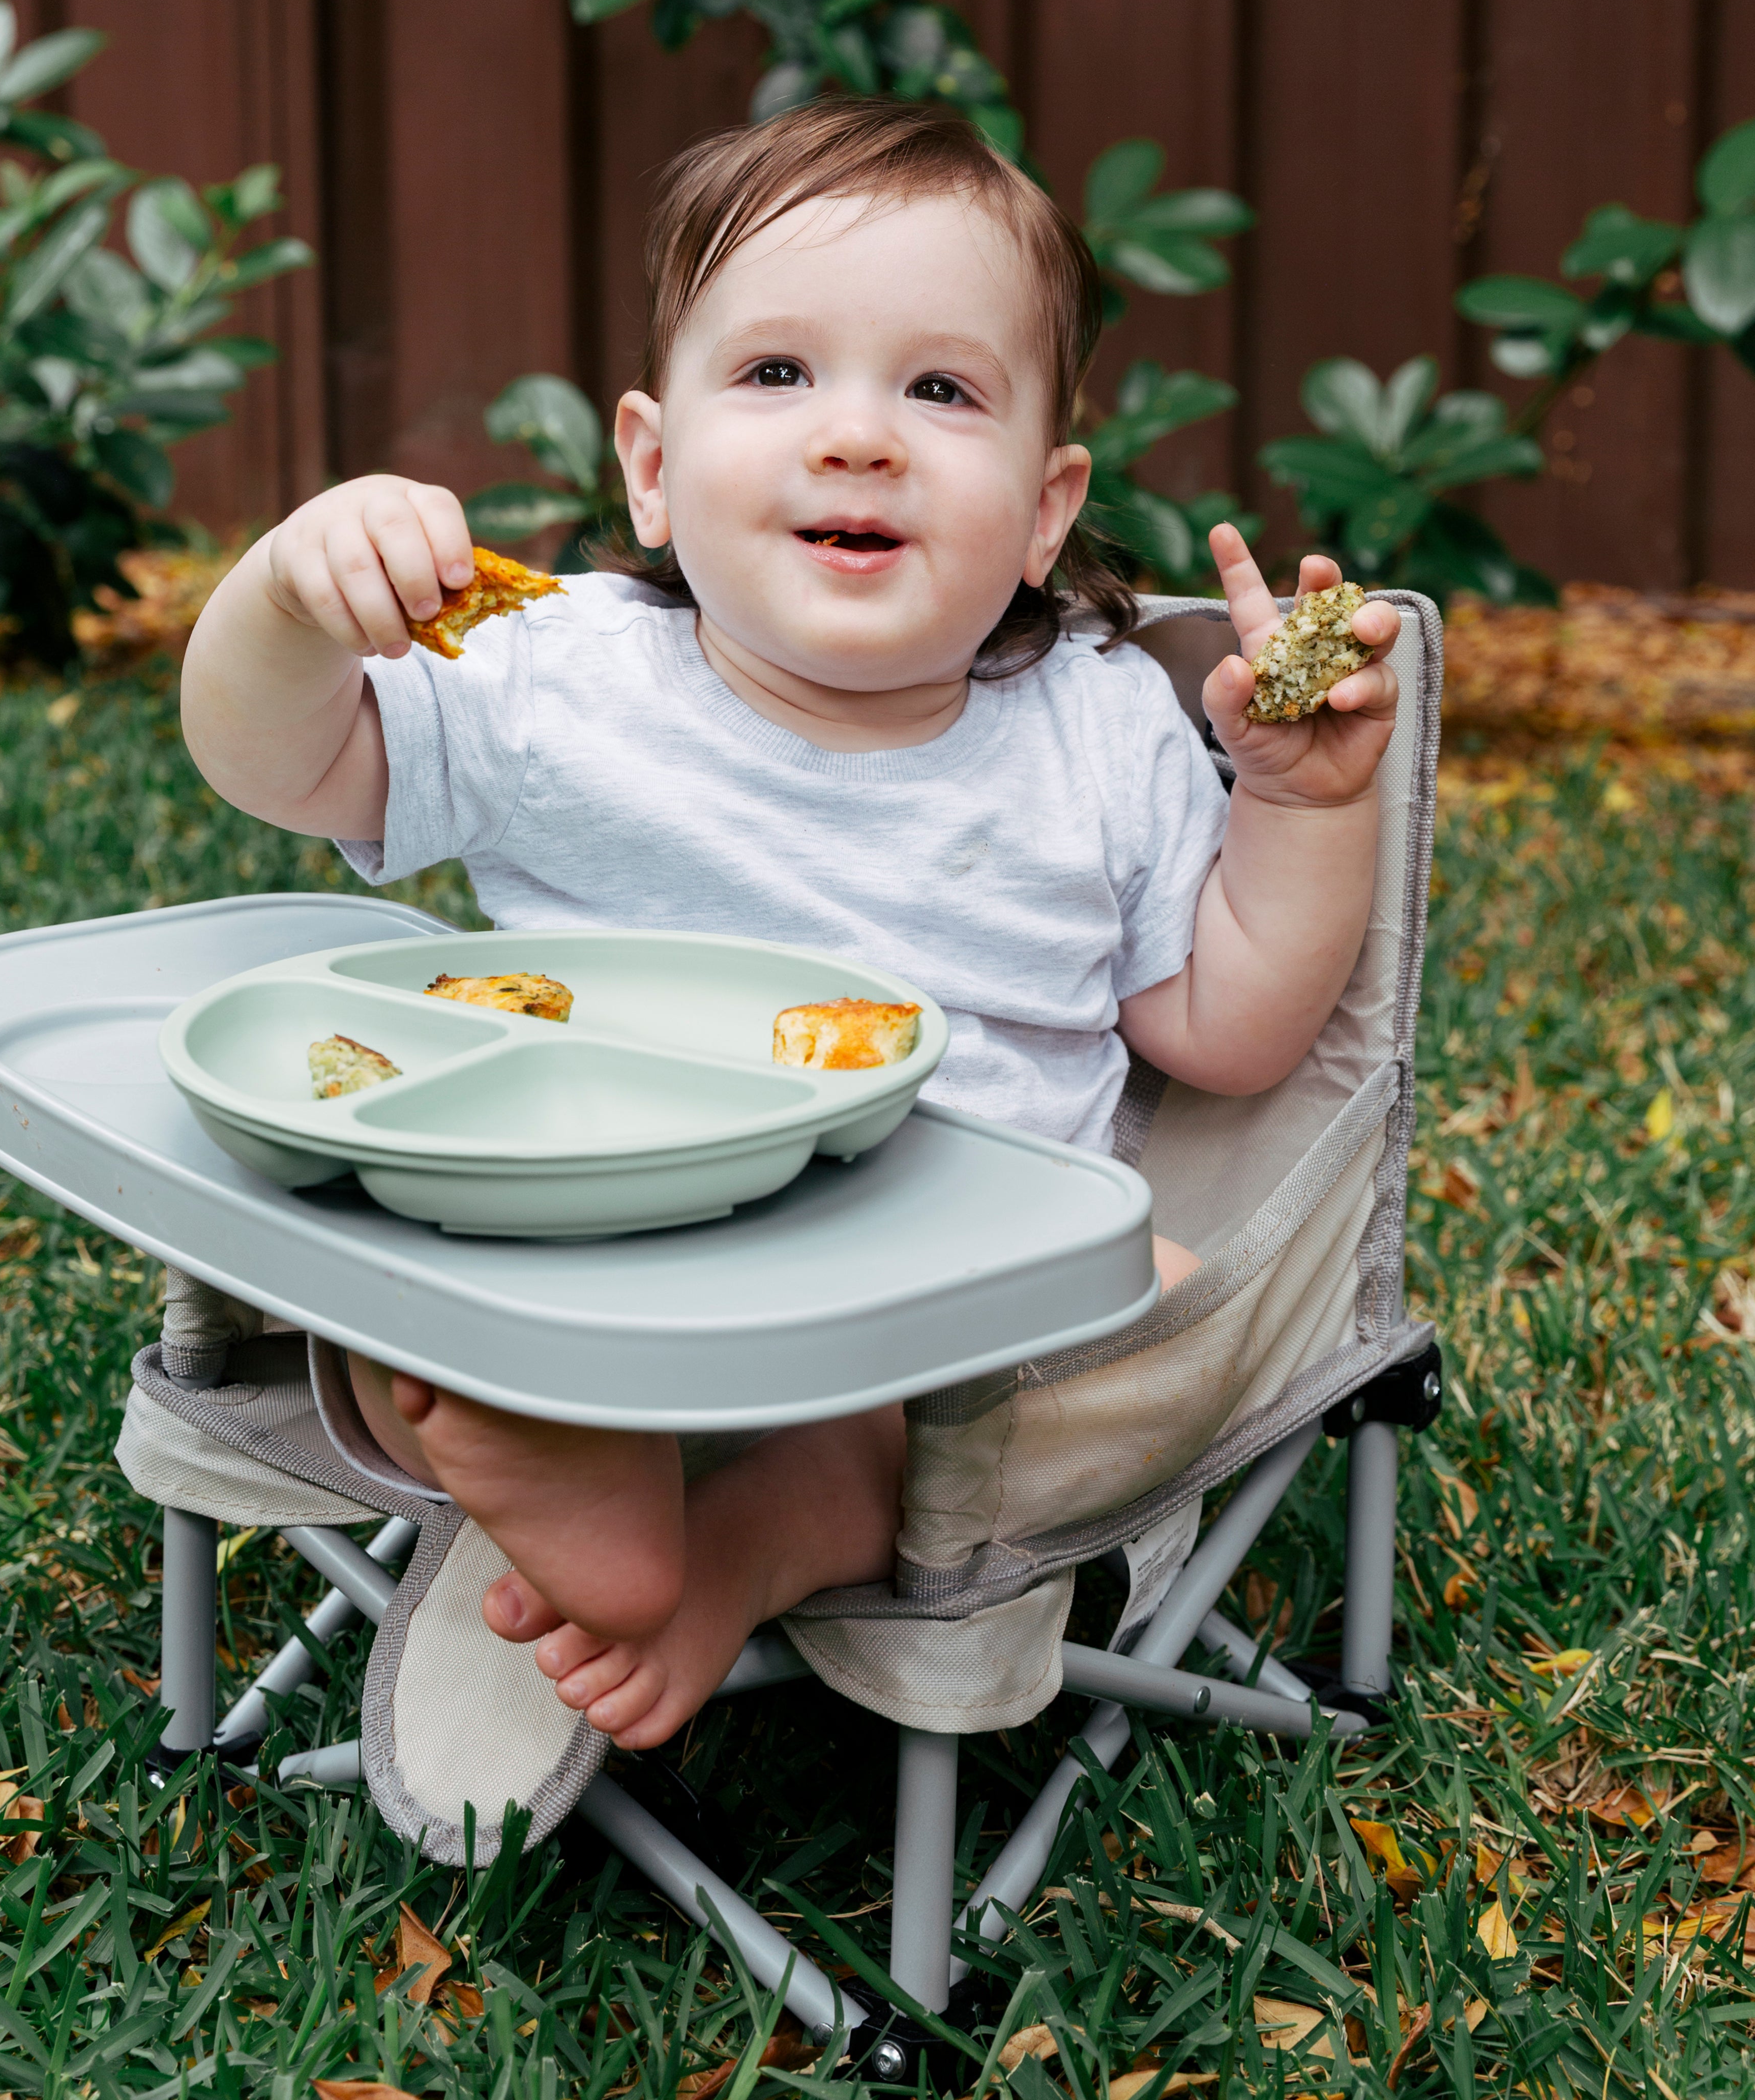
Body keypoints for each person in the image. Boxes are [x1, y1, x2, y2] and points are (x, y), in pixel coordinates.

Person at [181, 98, 1400, 1756]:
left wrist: (1306, 809)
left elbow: (1231, 1029)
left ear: (1046, 513)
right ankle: (582, 1445)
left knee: (1101, 1322)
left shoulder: (1098, 730)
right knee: (434, 1244)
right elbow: (278, 760)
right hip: (608, 1222)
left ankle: (726, 1541)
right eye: (777, 374)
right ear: (655, 467)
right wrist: (282, 600)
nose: (860, 435)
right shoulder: (561, 679)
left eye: (943, 389)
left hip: (929, 1299)